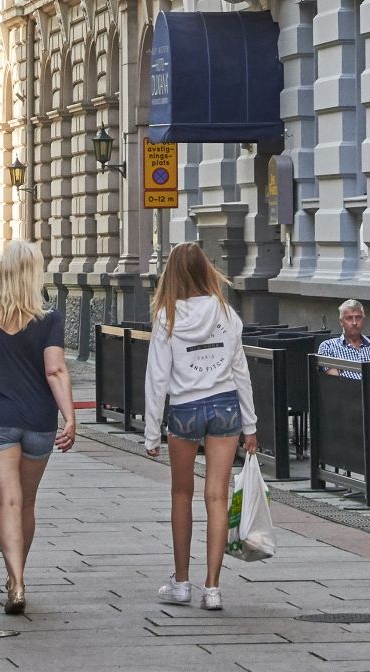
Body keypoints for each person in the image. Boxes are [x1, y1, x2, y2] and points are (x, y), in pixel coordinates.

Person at [0, 241, 76, 616]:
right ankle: (19, 575)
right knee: (27, 501)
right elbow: (55, 370)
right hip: (39, 423)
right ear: (35, 274)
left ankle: (16, 581)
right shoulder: (50, 319)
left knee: (7, 501)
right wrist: (69, 416)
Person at [144, 242, 257, 613]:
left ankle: (181, 583)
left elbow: (157, 377)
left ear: (172, 274)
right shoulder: (226, 312)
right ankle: (213, 587)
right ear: (206, 270)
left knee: (181, 494)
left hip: (185, 408)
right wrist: (251, 424)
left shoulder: (166, 316)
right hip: (225, 406)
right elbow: (241, 370)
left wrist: (150, 431)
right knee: (217, 497)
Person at [317, 299, 370, 378]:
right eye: (349, 318)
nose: (354, 323)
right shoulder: (329, 347)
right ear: (341, 322)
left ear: (363, 320)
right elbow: (335, 383)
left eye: (358, 318)